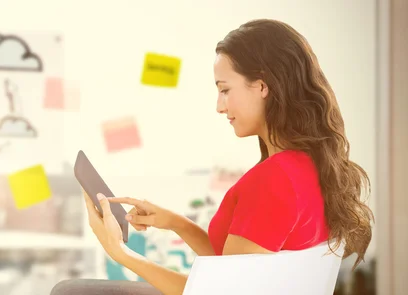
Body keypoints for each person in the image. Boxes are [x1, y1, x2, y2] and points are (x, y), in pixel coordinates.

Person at [50, 18, 374, 295]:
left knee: (70, 291)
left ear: (262, 86)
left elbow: (220, 291)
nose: (220, 106)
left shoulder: (275, 179)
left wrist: (119, 253)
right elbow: (237, 268)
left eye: (225, 89)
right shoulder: (306, 167)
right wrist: (175, 223)